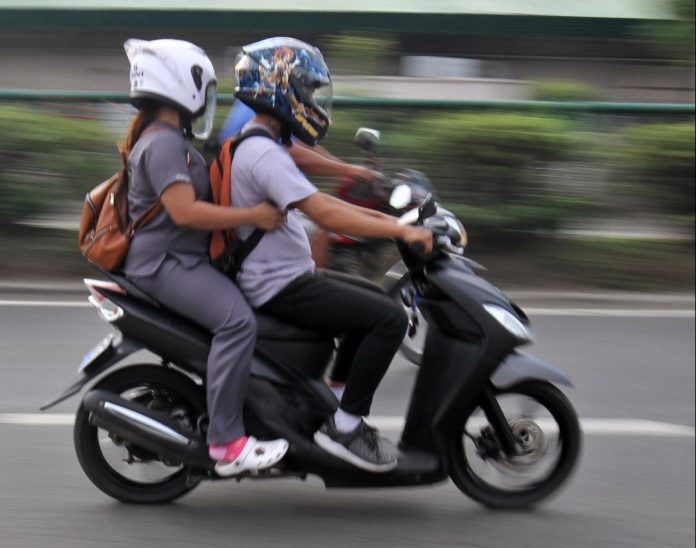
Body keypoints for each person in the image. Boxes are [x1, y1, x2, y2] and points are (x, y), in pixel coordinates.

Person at [228, 37, 433, 472]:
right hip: (278, 285)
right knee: (390, 318)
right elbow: (324, 212)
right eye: (307, 90)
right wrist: (397, 228)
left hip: (286, 274)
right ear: (280, 89)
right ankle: (345, 426)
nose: (312, 101)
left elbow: (330, 206)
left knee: (375, 301)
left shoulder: (268, 142)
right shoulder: (263, 153)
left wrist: (396, 220)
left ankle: (335, 403)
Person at [120, 38, 289, 477]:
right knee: (236, 322)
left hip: (183, 261)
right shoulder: (162, 144)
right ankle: (227, 443)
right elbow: (183, 211)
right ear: (180, 83)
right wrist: (254, 214)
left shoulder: (170, 139)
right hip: (166, 265)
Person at [220, 94, 382, 269]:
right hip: (271, 203)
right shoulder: (259, 112)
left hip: (281, 196)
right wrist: (348, 170)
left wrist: (346, 167)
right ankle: (313, 284)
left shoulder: (261, 108)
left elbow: (301, 145)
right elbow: (294, 153)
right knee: (323, 227)